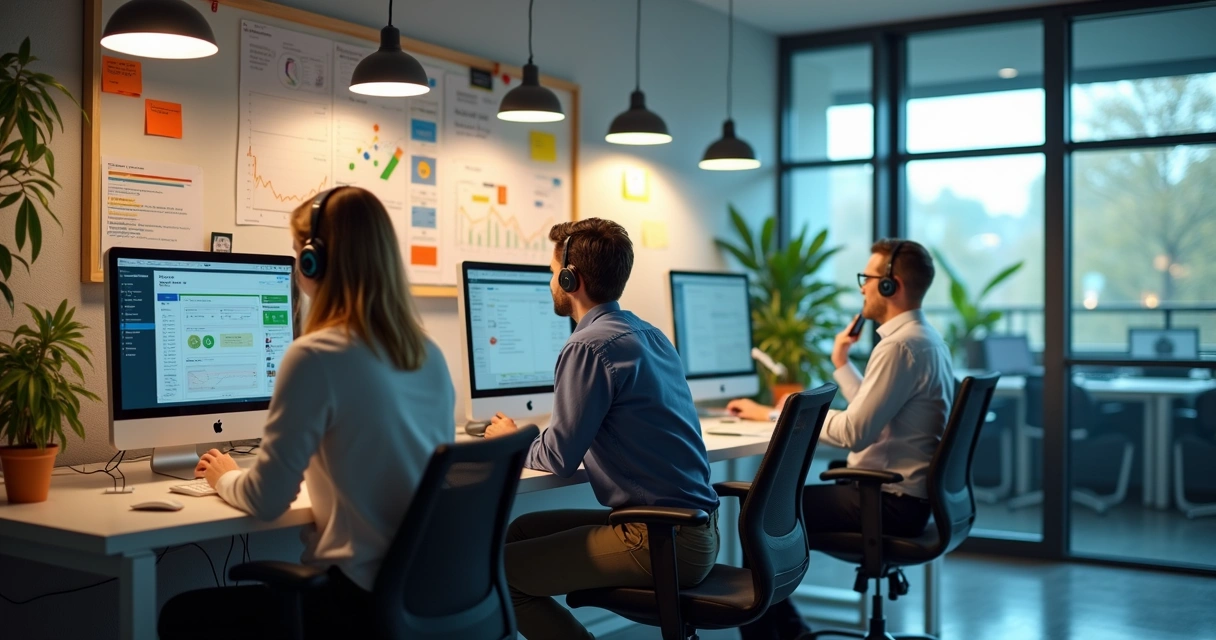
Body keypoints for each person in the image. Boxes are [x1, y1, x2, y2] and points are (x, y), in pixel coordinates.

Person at [158, 187, 456, 639]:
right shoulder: (427, 352)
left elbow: (267, 499)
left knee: (181, 614)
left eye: (299, 252)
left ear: (314, 261)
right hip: (430, 597)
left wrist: (223, 475)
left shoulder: (315, 355)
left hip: (357, 603)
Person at [484, 218, 721, 640]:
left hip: (662, 540)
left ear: (571, 277)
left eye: (553, 270)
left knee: (496, 573)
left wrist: (511, 441)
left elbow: (558, 459)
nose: (551, 280)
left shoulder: (586, 345)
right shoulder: (649, 333)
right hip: (695, 529)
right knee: (519, 531)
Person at [727, 239, 954, 640]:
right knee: (768, 512)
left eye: (867, 278)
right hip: (908, 500)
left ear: (890, 285)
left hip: (888, 503)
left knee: (759, 517)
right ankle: (791, 630)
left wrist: (777, 414)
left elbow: (854, 430)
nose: (862, 287)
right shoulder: (925, 339)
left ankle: (776, 635)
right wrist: (841, 364)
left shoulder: (900, 346)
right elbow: (875, 413)